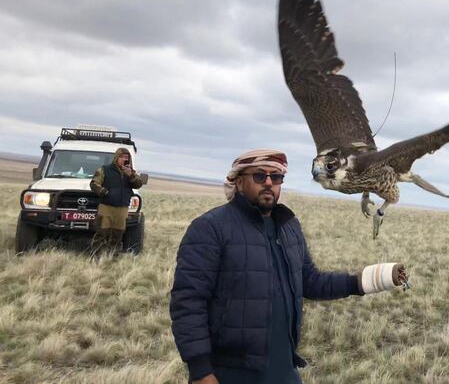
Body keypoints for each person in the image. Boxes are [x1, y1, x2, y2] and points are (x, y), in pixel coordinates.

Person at [170, 149, 409, 384]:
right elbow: (188, 301)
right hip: (230, 372)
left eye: (276, 177)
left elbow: (310, 281)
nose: (269, 183)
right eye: (259, 176)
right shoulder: (210, 228)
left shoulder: (288, 227)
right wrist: (200, 371)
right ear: (239, 182)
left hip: (283, 368)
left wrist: (374, 279)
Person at [89, 147, 143, 256]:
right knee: (102, 232)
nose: (124, 160)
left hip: (122, 208)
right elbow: (94, 184)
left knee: (118, 234)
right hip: (106, 206)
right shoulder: (104, 170)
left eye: (127, 158)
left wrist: (131, 175)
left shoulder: (130, 172)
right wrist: (104, 192)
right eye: (122, 157)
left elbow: (138, 184)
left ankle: (113, 257)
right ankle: (96, 256)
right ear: (116, 158)